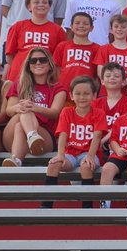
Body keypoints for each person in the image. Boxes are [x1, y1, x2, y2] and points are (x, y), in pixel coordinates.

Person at [44, 76, 106, 205]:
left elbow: (97, 136)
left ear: (94, 95)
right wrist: (60, 155)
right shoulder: (67, 112)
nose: (82, 97)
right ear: (71, 95)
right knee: (53, 165)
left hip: (89, 153)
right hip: (70, 153)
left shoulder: (98, 113)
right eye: (78, 93)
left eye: (86, 94)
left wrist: (90, 156)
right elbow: (63, 134)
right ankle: (47, 204)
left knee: (86, 166)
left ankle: (87, 206)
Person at [1, 48, 67, 167]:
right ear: (28, 65)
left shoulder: (58, 89)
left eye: (42, 60)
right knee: (24, 111)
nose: (38, 63)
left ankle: (16, 159)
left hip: (44, 136)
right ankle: (32, 135)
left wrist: (34, 107)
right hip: (11, 136)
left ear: (50, 64)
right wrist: (19, 107)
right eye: (33, 61)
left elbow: (55, 112)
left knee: (21, 125)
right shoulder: (19, 85)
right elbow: (8, 110)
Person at [3, 0, 65, 83]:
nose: (41, 5)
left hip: (45, 78)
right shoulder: (17, 27)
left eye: (44, 2)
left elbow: (60, 60)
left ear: (49, 7)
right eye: (36, 2)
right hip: (19, 76)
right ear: (29, 7)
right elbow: (9, 56)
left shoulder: (58, 30)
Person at [93, 15, 127, 86]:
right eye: (116, 26)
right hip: (106, 91)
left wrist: (123, 83)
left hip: (126, 91)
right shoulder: (103, 49)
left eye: (123, 27)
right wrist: (108, 83)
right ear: (111, 30)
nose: (119, 29)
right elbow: (100, 70)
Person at [54, 12, 99, 91]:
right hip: (64, 91)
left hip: (86, 92)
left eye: (85, 24)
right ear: (71, 26)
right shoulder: (62, 46)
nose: (81, 26)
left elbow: (97, 75)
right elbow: (57, 68)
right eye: (77, 23)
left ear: (92, 28)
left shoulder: (97, 48)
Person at [94, 62, 127, 132]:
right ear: (102, 81)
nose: (112, 78)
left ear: (124, 82)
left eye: (116, 76)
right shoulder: (96, 103)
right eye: (108, 76)